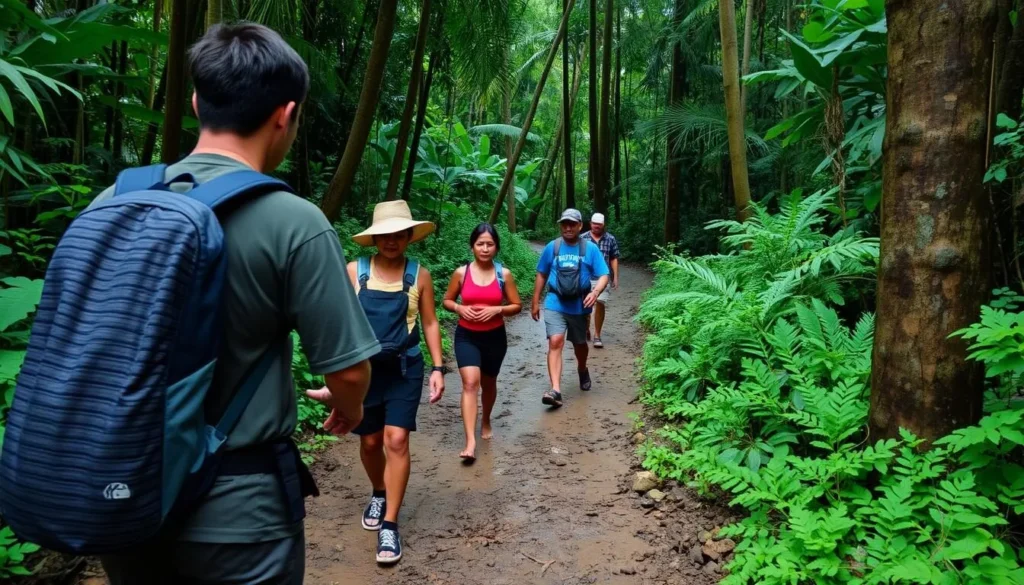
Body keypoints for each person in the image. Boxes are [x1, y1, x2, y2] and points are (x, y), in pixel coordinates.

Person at [92, 23, 380, 584]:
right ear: (285, 114)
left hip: (122, 496)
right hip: (239, 514)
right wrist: (352, 405)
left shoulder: (113, 203)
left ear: (198, 101)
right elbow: (346, 368)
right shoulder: (293, 222)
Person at [347, 200, 446, 565]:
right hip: (365, 372)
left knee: (396, 439)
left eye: (399, 234)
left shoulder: (419, 274)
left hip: (406, 367)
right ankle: (379, 490)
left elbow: (431, 322)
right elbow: (340, 323)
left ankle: (390, 523)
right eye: (385, 235)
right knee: (371, 441)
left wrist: (438, 368)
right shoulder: (353, 271)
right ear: (375, 239)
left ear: (408, 237)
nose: (392, 240)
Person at [442, 224, 523, 463]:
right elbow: (447, 300)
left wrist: (497, 309)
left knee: (489, 383)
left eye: (489, 244)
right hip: (467, 336)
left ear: (496, 247)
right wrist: (459, 307)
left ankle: (486, 419)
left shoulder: (503, 274)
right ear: (472, 246)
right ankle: (470, 440)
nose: (485, 248)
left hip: (495, 337)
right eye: (480, 244)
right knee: (470, 383)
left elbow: (516, 305)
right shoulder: (461, 273)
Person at [532, 208, 610, 408]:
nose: (567, 228)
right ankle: (555, 390)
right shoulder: (553, 247)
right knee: (555, 341)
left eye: (572, 224)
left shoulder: (590, 249)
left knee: (580, 346)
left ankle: (582, 368)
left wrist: (595, 293)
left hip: (579, 305)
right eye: (564, 224)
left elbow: (603, 275)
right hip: (554, 302)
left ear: (579, 226)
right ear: (560, 225)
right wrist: (535, 301)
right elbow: (541, 273)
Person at [581, 212, 621, 348]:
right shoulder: (582, 238)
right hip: (585, 277)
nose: (596, 226)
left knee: (600, 303)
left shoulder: (610, 239)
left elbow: (614, 257)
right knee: (585, 306)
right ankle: (586, 329)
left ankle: (597, 335)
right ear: (590, 224)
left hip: (602, 278)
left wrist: (615, 276)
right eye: (594, 224)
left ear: (603, 225)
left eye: (599, 224)